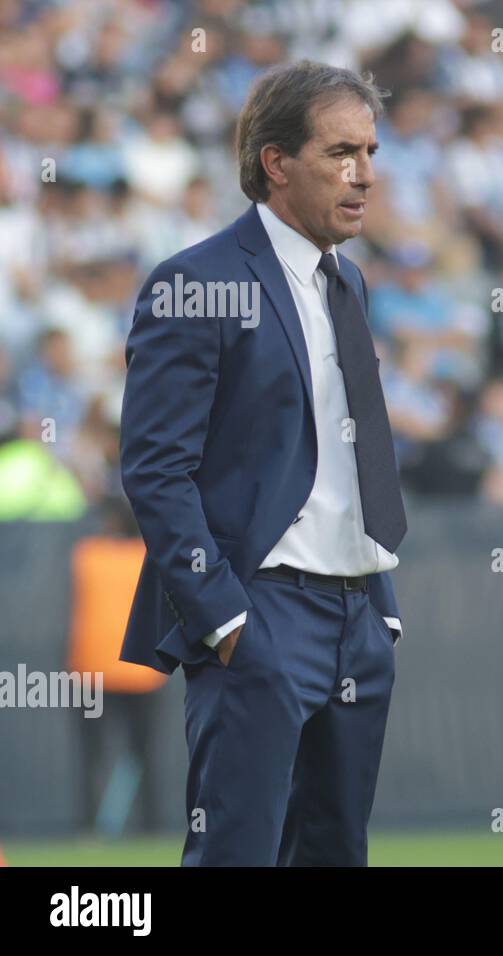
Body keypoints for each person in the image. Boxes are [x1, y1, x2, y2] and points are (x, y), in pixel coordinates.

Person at [117, 61, 407, 866]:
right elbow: (153, 470)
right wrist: (227, 620)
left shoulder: (347, 284)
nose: (364, 175)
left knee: (333, 854)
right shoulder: (194, 281)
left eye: (371, 153)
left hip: (358, 621)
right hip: (262, 615)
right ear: (275, 162)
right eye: (341, 152)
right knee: (237, 856)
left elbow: (352, 458)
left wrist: (379, 608)